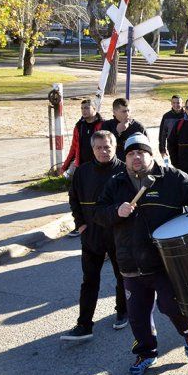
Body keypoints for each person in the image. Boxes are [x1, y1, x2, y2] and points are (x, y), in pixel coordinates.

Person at [94, 133, 188, 375]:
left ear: (150, 154)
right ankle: (146, 353)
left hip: (166, 262)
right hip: (130, 263)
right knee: (137, 315)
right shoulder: (117, 183)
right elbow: (99, 213)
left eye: (140, 152)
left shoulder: (171, 177)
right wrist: (115, 211)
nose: (135, 157)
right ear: (125, 158)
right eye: (131, 153)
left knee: (171, 305)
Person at [61, 131, 127, 341]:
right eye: (99, 147)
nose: (103, 151)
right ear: (92, 149)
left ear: (114, 147)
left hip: (117, 235)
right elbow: (74, 199)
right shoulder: (82, 172)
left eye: (107, 147)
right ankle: (84, 324)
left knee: (122, 276)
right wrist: (80, 225)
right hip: (91, 236)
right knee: (89, 280)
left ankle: (123, 311)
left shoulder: (125, 171)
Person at [61, 99, 104, 176]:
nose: (84, 111)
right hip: (82, 166)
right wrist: (64, 167)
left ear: (94, 109)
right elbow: (73, 148)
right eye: (82, 108)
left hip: (99, 166)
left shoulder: (103, 125)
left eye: (87, 108)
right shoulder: (79, 126)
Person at [157, 95, 184, 160]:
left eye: (178, 103)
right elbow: (162, 134)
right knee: (175, 164)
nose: (176, 105)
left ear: (182, 103)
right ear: (171, 103)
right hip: (172, 146)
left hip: (185, 145)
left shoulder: (187, 115)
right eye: (174, 103)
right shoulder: (166, 116)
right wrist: (162, 149)